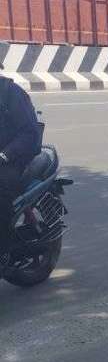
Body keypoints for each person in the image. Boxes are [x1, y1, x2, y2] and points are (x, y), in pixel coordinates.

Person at [0, 76, 42, 258]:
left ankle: (4, 250)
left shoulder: (11, 93)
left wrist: (4, 155)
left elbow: (29, 133)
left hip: (12, 157)